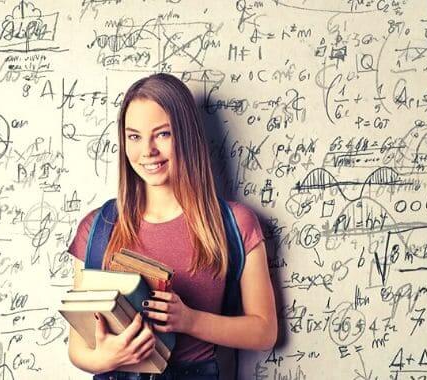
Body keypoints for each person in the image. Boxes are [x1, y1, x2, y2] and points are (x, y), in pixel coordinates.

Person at [65, 73, 278, 380]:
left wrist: (190, 321)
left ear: (187, 136)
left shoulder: (235, 224)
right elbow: (77, 349)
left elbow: (264, 331)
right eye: (134, 136)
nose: (147, 150)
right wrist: (106, 358)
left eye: (162, 134)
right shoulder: (96, 228)